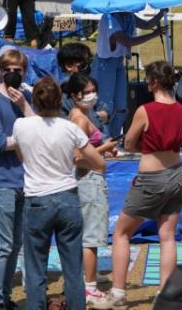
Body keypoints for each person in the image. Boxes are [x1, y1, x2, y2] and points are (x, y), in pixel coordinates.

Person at [14, 77, 107, 310]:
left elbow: (20, 157)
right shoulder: (70, 128)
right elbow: (99, 163)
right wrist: (80, 169)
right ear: (59, 100)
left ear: (34, 100)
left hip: (37, 200)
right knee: (73, 269)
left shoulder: (21, 126)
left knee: (36, 269)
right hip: (67, 198)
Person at [105, 63, 182, 307]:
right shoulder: (181, 110)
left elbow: (128, 143)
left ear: (153, 83)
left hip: (151, 178)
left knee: (121, 233)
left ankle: (118, 292)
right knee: (168, 236)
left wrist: (145, 146)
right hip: (175, 174)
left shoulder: (145, 110)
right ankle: (165, 293)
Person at [0, 49, 34, 310]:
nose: (13, 74)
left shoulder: (28, 98)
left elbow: (43, 130)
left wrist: (24, 106)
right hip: (0, 180)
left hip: (25, 179)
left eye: (18, 70)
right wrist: (27, 136)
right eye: (8, 70)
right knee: (1, 245)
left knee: (15, 245)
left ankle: (3, 297)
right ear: (1, 72)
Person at [67, 72, 117, 307]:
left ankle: (86, 281)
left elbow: (86, 151)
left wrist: (101, 149)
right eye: (86, 92)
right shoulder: (79, 119)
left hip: (88, 178)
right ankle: (89, 287)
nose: (91, 96)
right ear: (74, 95)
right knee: (91, 238)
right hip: (88, 181)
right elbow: (76, 157)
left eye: (93, 90)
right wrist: (104, 146)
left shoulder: (82, 115)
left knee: (88, 235)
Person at [94, 11, 166, 139]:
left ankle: (114, 138)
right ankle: (104, 139)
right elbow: (127, 41)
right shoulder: (109, 18)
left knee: (122, 106)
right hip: (105, 64)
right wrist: (154, 34)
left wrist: (161, 12)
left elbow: (147, 24)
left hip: (119, 61)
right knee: (105, 105)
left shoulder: (129, 15)